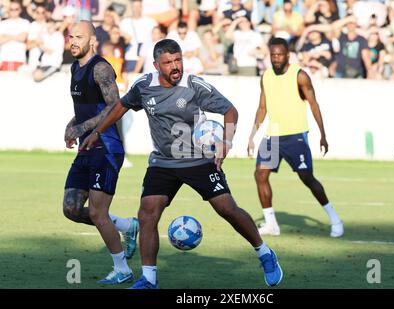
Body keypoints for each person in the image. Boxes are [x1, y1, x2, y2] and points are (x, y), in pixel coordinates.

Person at [81, 38, 283, 289]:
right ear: (156, 65)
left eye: (178, 60)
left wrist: (226, 142)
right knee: (147, 214)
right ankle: (149, 279)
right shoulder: (144, 86)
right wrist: (97, 131)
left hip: (198, 159)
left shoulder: (194, 85)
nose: (175, 66)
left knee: (227, 209)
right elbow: (120, 107)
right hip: (163, 163)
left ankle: (264, 253)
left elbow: (230, 111)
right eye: (168, 63)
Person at [63, 21, 139, 284]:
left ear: (92, 40)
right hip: (86, 147)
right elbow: (85, 106)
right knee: (71, 209)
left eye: (79, 37)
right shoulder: (75, 67)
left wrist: (83, 126)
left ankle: (123, 269)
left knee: (97, 213)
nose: (73, 41)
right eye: (70, 36)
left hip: (106, 148)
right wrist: (72, 125)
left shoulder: (101, 68)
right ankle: (128, 226)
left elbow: (116, 106)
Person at [247, 37, 344, 238]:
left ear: (287, 55)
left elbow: (314, 104)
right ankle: (271, 223)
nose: (275, 58)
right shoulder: (265, 76)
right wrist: (252, 135)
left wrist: (323, 135)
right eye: (272, 55)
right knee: (260, 175)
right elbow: (262, 107)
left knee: (307, 178)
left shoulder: (300, 75)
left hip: (295, 137)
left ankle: (334, 218)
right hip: (272, 135)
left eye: (279, 54)